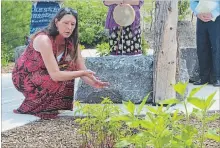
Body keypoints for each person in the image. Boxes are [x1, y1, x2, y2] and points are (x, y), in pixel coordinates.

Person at [12, 7, 109, 119]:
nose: (69, 27)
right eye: (66, 23)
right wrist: (82, 72)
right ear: (56, 22)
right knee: (61, 77)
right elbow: (56, 75)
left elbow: (81, 69)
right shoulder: (44, 39)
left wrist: (94, 82)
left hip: (44, 74)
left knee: (69, 72)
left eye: (73, 24)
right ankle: (37, 106)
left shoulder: (72, 43)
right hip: (24, 77)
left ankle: (50, 106)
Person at [190, 0, 220, 87]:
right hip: (201, 18)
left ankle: (217, 77)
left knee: (217, 48)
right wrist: (197, 13)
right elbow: (193, 2)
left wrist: (213, 13)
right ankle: (204, 78)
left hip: (217, 18)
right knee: (202, 47)